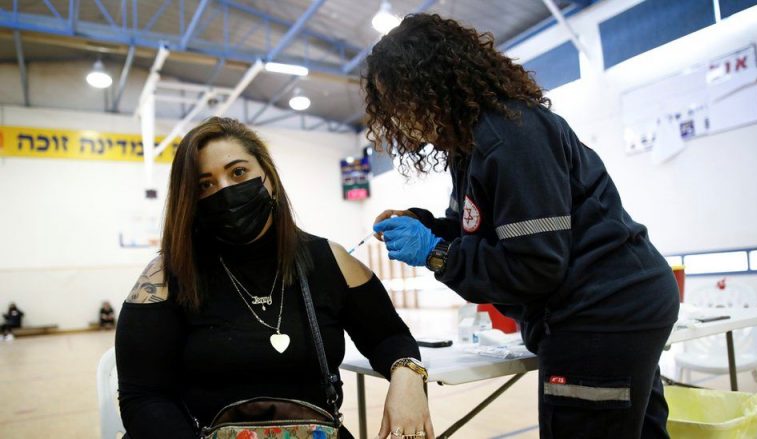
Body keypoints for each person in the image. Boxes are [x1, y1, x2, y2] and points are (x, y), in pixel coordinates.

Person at [364, 14, 680, 439]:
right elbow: (481, 232)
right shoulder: (473, 146)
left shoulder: (511, 136)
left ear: (432, 83)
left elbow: (534, 265)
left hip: (601, 314)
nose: (400, 119)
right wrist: (425, 224)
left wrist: (436, 252)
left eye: (401, 101)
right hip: (615, 307)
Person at [115, 117, 433, 439]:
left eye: (238, 172)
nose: (225, 191)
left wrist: (407, 374)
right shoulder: (168, 276)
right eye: (205, 184)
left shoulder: (329, 260)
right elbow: (143, 397)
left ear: (268, 176)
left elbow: (387, 336)